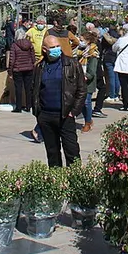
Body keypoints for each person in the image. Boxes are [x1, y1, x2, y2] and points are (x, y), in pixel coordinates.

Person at [31, 34, 85, 167]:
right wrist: (38, 113)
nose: (56, 49)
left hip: (65, 115)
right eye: (52, 47)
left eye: (58, 46)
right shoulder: (39, 67)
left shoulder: (71, 64)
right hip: (46, 116)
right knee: (52, 153)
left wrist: (73, 111)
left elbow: (81, 90)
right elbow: (34, 90)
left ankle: (76, 181)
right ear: (44, 49)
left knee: (72, 152)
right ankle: (57, 182)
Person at [9, 28, 36, 113]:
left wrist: (10, 71)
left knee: (18, 88)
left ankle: (18, 107)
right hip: (29, 68)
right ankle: (29, 106)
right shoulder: (30, 44)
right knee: (28, 88)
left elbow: (12, 59)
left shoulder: (14, 45)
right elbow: (33, 57)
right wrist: (33, 65)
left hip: (17, 69)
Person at [79, 30, 101, 133]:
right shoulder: (82, 51)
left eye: (82, 40)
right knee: (81, 102)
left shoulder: (93, 53)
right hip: (80, 79)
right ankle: (88, 119)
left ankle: (88, 122)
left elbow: (92, 70)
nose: (80, 41)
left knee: (86, 102)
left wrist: (87, 76)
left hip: (88, 81)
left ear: (87, 41)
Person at [97, 25, 120, 110]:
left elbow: (102, 47)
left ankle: (111, 95)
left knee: (110, 77)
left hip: (108, 57)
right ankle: (116, 94)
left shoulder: (106, 37)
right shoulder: (118, 36)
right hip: (116, 57)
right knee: (116, 76)